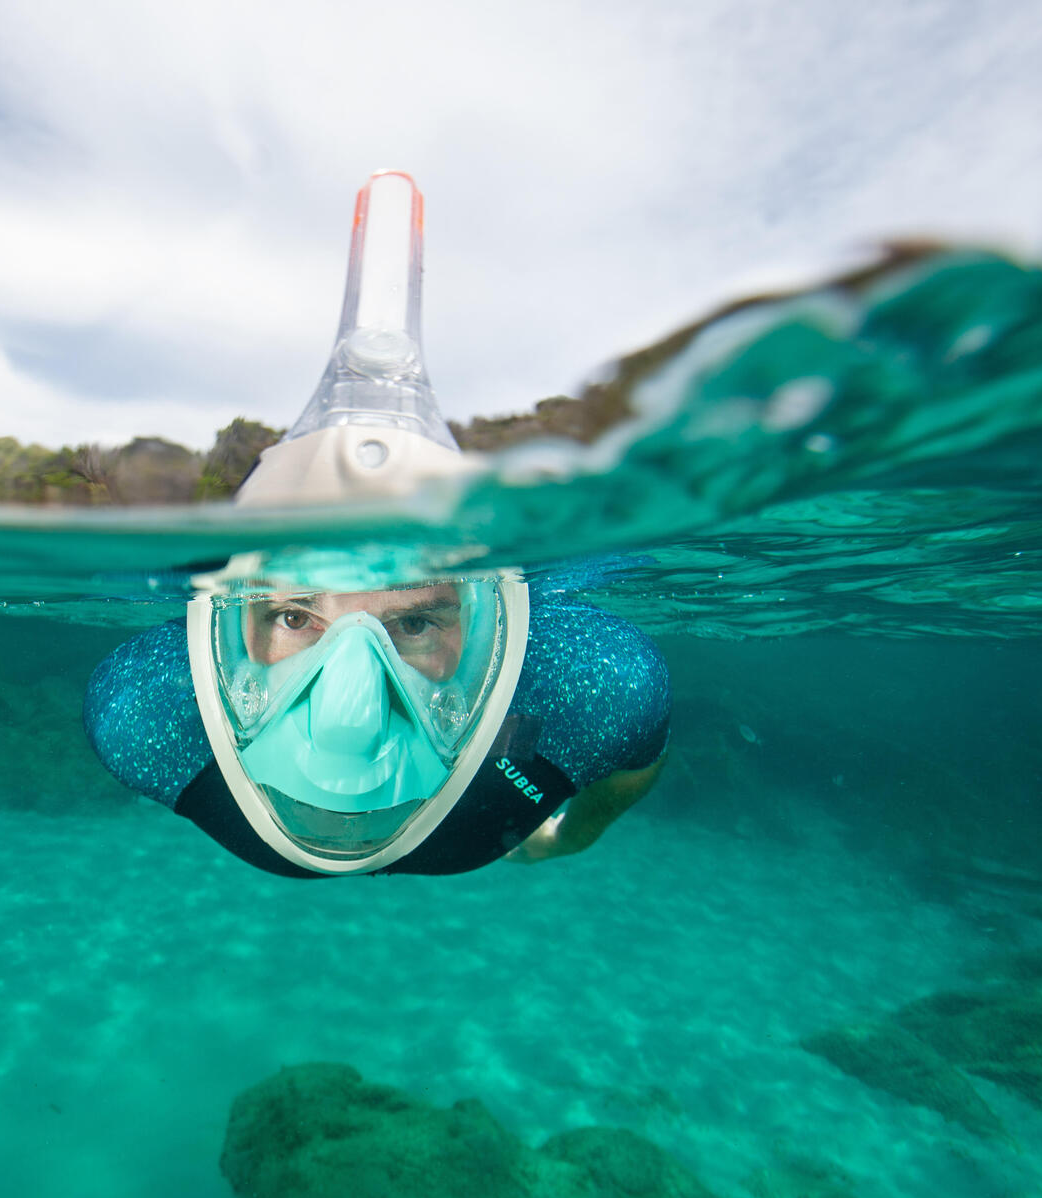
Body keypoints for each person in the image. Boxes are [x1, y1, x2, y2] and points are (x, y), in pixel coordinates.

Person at [82, 172, 669, 877]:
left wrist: (572, 834)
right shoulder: (148, 711)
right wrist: (549, 836)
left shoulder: (590, 686)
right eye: (296, 616)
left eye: (416, 623)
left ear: (494, 630)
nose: (351, 720)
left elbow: (633, 768)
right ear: (223, 627)